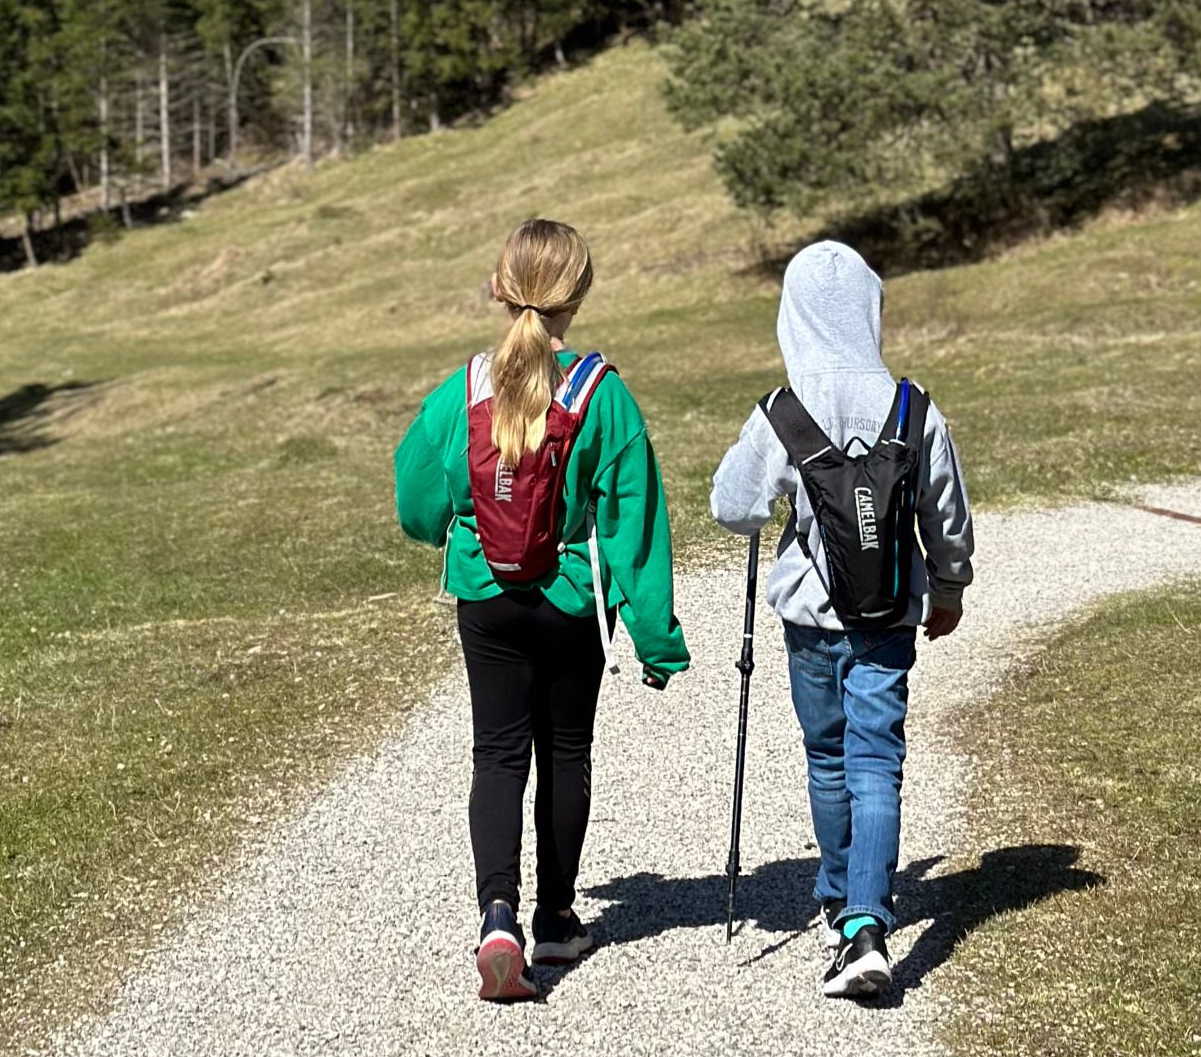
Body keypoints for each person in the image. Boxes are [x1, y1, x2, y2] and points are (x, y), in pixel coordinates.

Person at [396, 216, 688, 1001]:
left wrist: (454, 528)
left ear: (500, 287)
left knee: (496, 754)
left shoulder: (462, 390)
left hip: (485, 595)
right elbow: (634, 525)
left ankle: (498, 916)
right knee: (565, 751)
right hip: (570, 601)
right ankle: (557, 918)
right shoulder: (603, 395)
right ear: (578, 293)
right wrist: (657, 637)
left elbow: (415, 500)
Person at [710, 238, 974, 1000]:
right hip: (888, 615)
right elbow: (945, 511)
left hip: (809, 618)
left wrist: (774, 501)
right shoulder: (912, 407)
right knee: (876, 761)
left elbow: (732, 504)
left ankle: (837, 900)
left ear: (792, 316)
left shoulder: (783, 411)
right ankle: (867, 920)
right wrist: (949, 587)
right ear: (870, 309)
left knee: (828, 756)